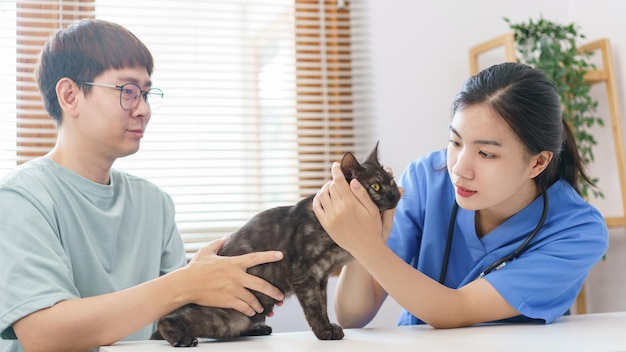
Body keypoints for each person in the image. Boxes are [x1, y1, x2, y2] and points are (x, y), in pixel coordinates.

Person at [0, 19, 284, 352]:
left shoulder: (154, 203)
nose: (144, 110)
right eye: (128, 92)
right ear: (70, 95)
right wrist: (186, 282)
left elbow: (176, 317)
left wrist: (230, 290)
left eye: (146, 94)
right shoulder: (22, 197)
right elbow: (43, 334)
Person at [313, 62, 609, 329]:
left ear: (538, 162)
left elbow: (457, 309)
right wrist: (359, 232)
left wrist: (366, 243)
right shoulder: (426, 179)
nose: (459, 169)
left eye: (486, 153)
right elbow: (352, 316)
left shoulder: (578, 232)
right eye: (455, 142)